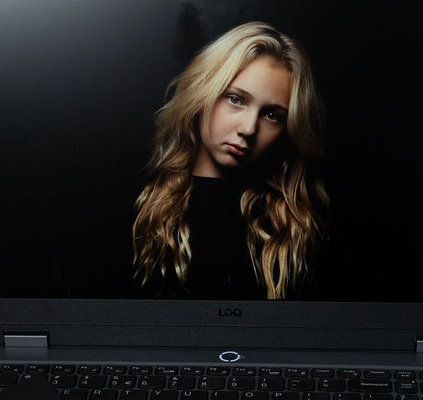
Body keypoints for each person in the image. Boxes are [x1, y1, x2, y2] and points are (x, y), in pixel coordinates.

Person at [131, 21, 329, 299]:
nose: (248, 129)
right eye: (236, 99)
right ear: (202, 93)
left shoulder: (295, 227)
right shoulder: (141, 208)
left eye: (272, 115)